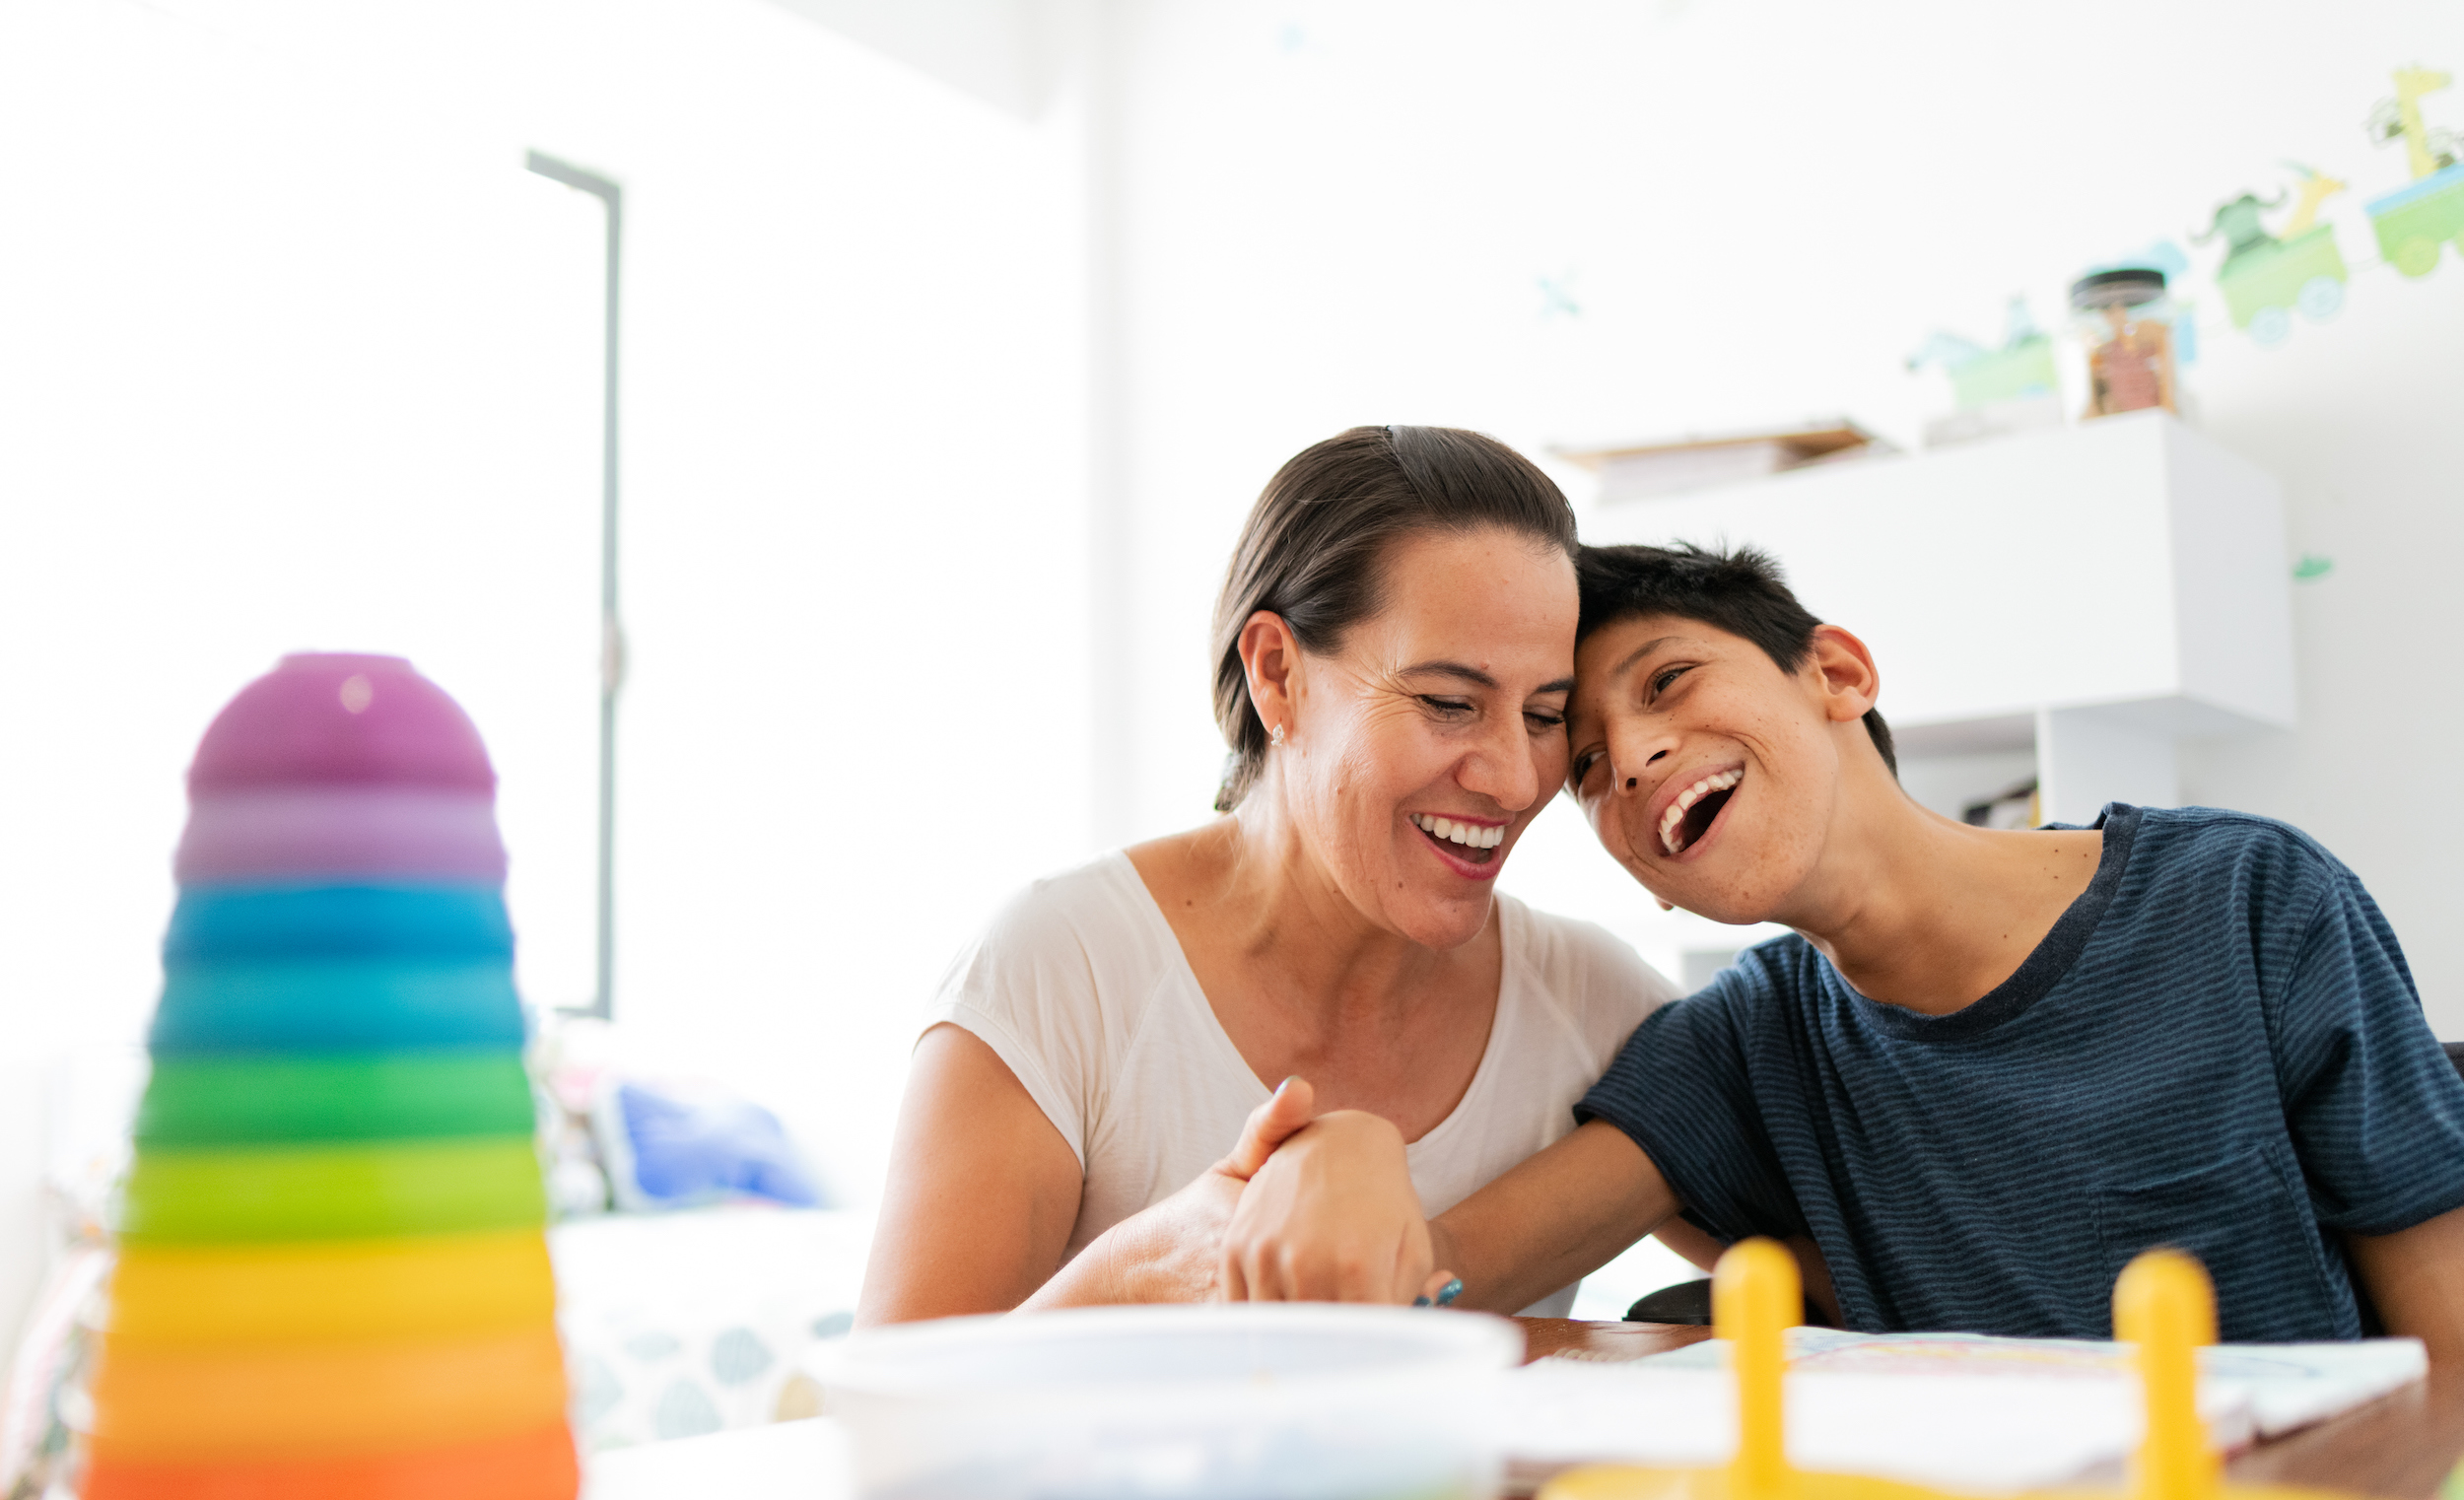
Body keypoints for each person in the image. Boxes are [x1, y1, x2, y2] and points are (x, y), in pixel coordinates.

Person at [1221, 543, 2464, 1358]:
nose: (1636, 756)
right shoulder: (1744, 1044)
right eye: (1588, 765)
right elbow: (1426, 1282)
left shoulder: (2246, 900)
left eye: (1669, 681)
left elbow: (2449, 1355)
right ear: (1643, 876)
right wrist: (1341, 1146)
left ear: (1837, 670)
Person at [856, 429, 1679, 1325]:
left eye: (1545, 714)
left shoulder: (1591, 1006)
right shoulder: (1062, 968)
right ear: (1277, 674)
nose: (1518, 779)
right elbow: (883, 1424)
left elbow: (1825, 1257)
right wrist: (1142, 1270)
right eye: (1449, 703)